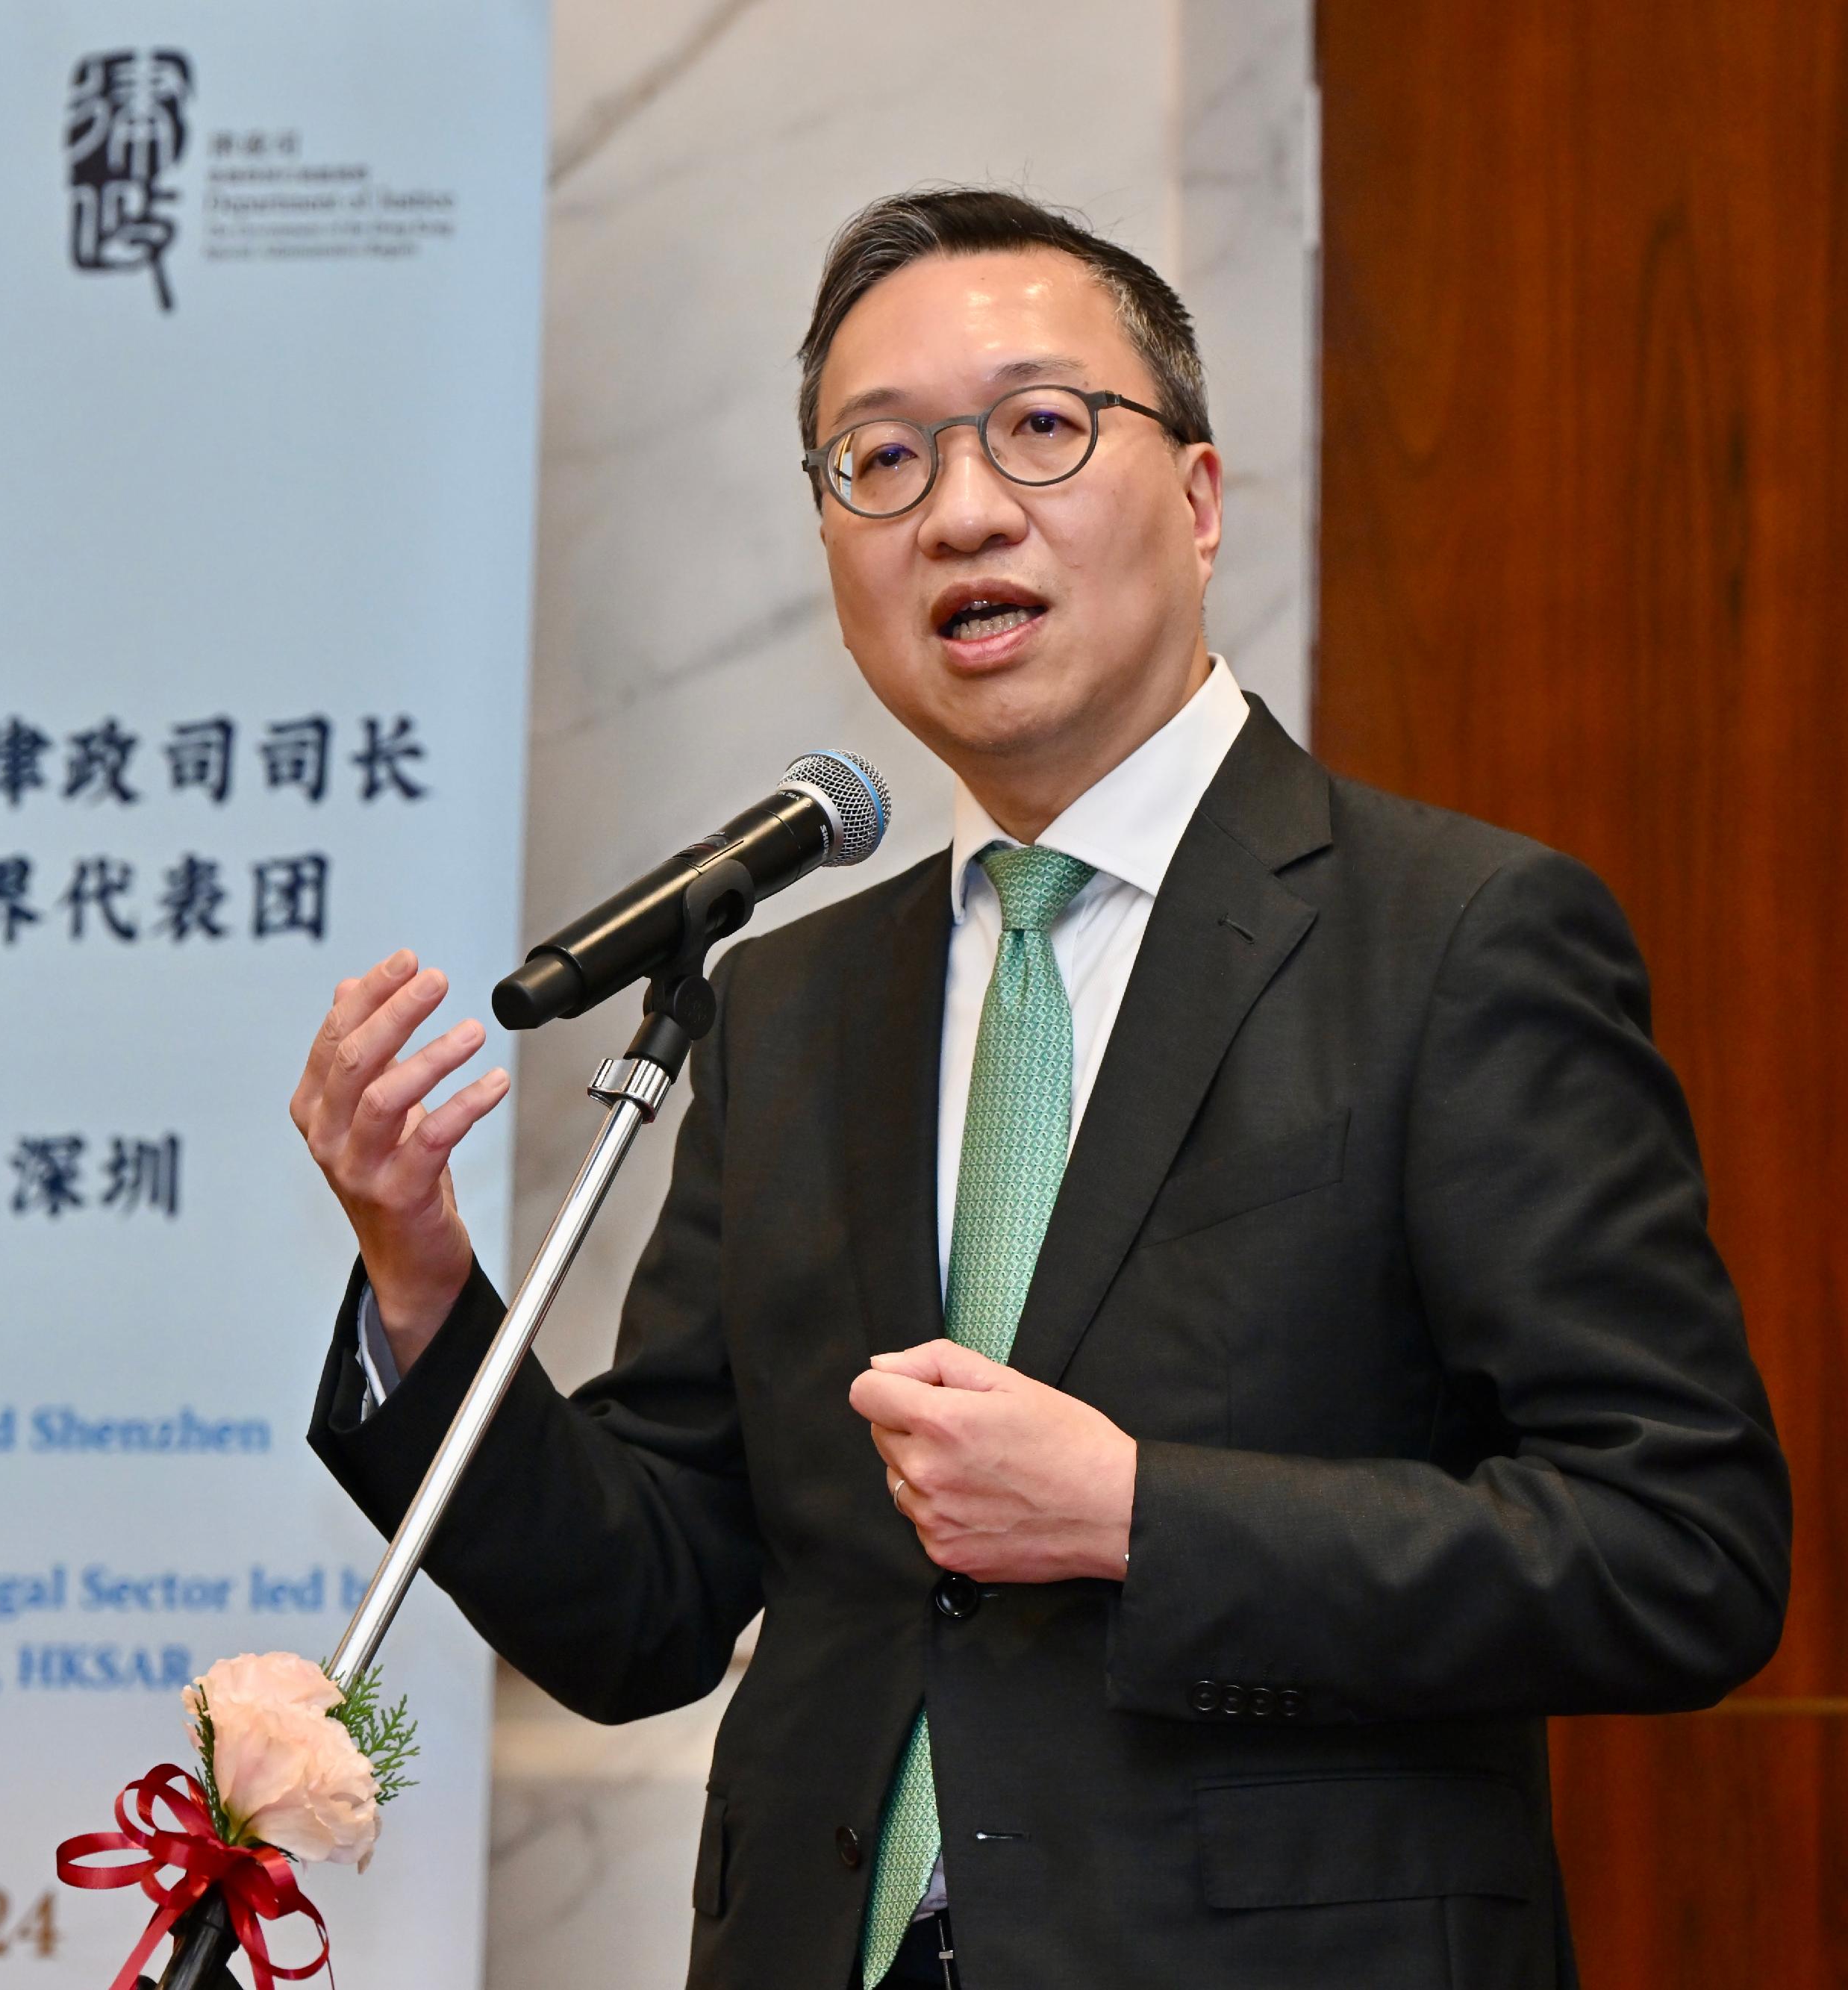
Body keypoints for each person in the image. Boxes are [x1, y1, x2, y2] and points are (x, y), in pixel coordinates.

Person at [285, 187, 1789, 1989]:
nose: (963, 509)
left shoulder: (1451, 940)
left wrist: (1141, 1514)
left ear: (1200, 497)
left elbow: (1676, 1546)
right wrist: (420, 1287)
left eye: (1041, 426)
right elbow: (642, 1607)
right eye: (879, 458)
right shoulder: (788, 1005)